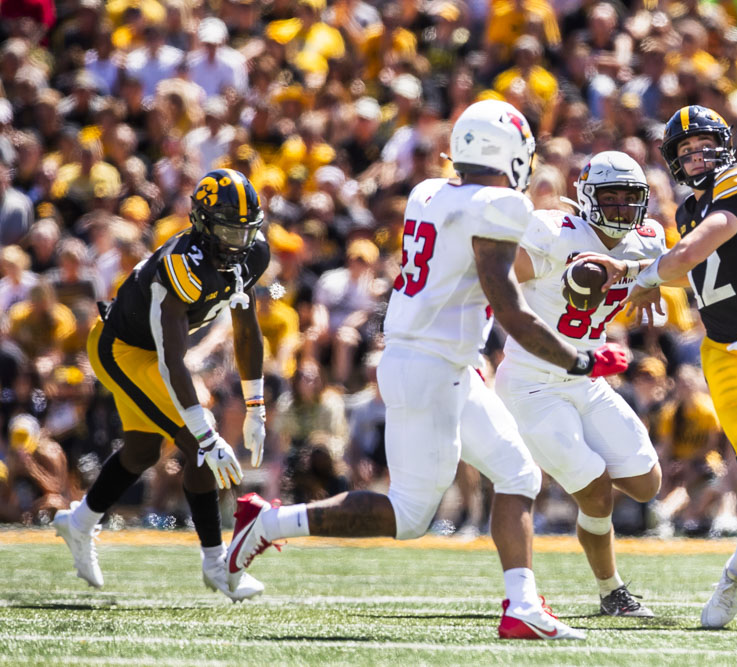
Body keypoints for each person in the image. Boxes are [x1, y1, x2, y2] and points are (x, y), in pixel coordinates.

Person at [227, 100, 630, 640]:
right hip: (432, 365)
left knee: (519, 475)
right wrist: (576, 358)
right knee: (412, 514)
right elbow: (506, 303)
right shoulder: (499, 204)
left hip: (440, 359)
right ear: (507, 152)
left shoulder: (428, 191)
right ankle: (269, 521)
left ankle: (522, 607)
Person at [579, 105, 737, 628]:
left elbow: (688, 255)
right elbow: (685, 269)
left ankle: (735, 574)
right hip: (724, 351)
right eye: (685, 150)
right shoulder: (684, 213)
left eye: (704, 146)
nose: (696, 156)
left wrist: (639, 272)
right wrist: (650, 275)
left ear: (723, 146)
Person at [53, 169, 271, 601]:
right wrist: (205, 434)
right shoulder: (180, 265)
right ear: (205, 224)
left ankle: (78, 523)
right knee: (197, 447)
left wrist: (256, 405)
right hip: (122, 349)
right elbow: (172, 359)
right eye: (228, 229)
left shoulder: (251, 253)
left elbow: (246, 329)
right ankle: (218, 564)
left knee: (143, 450)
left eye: (245, 232)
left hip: (153, 354)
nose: (238, 242)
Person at [493, 150, 662, 617]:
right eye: (609, 198)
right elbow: (497, 279)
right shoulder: (553, 232)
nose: (622, 209)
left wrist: (642, 278)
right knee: (597, 491)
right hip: (532, 381)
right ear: (587, 198)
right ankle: (612, 591)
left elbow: (665, 267)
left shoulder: (646, 240)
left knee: (647, 483)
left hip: (586, 379)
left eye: (630, 199)